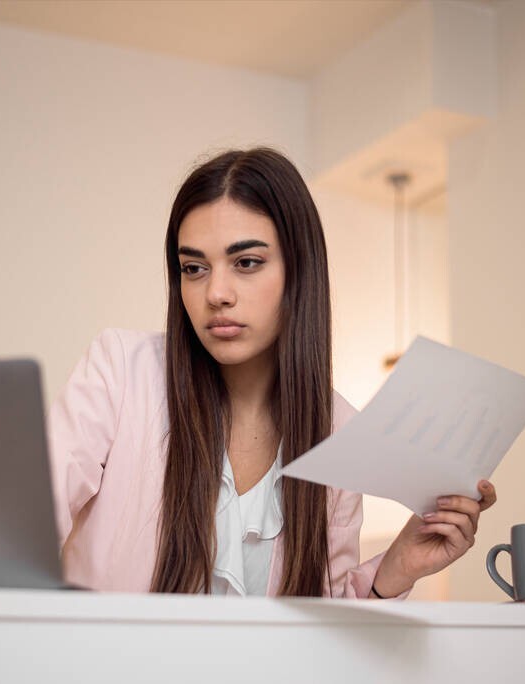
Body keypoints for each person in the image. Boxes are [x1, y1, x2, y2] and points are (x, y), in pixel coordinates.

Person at [48, 147, 496, 598]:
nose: (216, 293)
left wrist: (397, 569)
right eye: (194, 268)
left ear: (298, 272)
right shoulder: (121, 372)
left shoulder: (341, 432)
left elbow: (321, 633)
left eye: (246, 263)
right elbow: (21, 526)